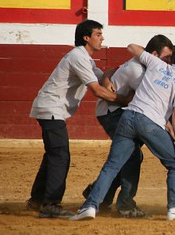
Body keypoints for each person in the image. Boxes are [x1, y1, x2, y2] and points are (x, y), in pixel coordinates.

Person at [70, 46, 175, 222]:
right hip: (149, 123)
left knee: (112, 166)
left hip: (128, 117)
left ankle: (89, 206)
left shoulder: (155, 63)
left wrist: (160, 56)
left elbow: (131, 46)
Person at [26, 20, 132, 218]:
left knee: (53, 155)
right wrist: (124, 100)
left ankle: (37, 200)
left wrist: (117, 71)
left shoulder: (85, 58)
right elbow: (97, 90)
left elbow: (103, 78)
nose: (102, 38)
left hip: (51, 108)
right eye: (98, 34)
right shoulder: (78, 56)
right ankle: (51, 204)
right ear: (86, 37)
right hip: (51, 108)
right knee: (60, 155)